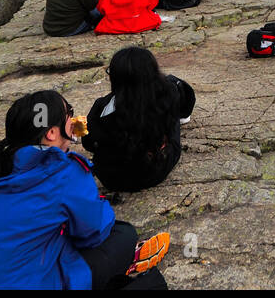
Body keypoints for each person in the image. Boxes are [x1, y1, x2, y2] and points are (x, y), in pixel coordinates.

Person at [0, 91, 168, 289]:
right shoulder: (65, 172)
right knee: (122, 234)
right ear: (52, 132)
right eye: (69, 113)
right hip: (30, 281)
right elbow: (94, 232)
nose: (74, 120)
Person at [83, 48, 195, 193]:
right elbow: (188, 102)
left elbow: (89, 143)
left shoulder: (102, 107)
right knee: (173, 93)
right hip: (157, 169)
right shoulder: (169, 93)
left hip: (113, 180)